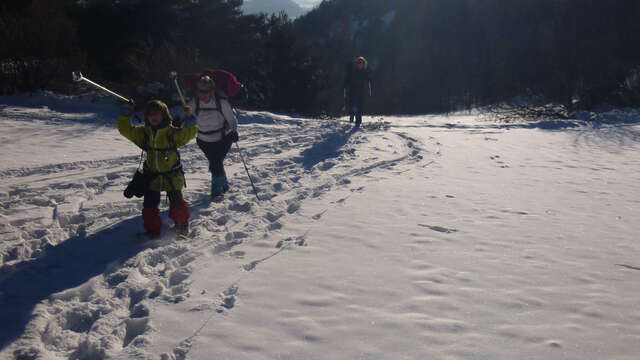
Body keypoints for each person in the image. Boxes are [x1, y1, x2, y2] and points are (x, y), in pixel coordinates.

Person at [118, 100, 198, 237]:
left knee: (177, 204)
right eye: (150, 114)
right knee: (149, 206)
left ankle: (182, 226)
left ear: (164, 116)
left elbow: (187, 134)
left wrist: (190, 120)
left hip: (172, 176)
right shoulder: (144, 134)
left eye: (157, 114)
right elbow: (126, 130)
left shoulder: (172, 133)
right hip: (151, 177)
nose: (153, 117)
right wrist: (126, 114)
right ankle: (152, 230)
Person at [190, 75, 239, 200]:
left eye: (207, 92)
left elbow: (231, 119)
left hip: (222, 139)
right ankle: (224, 184)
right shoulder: (194, 102)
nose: (204, 95)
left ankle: (217, 190)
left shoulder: (221, 102)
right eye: (201, 92)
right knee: (215, 163)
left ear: (212, 91)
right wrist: (182, 118)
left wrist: (233, 131)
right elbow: (187, 116)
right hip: (203, 141)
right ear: (197, 91)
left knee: (215, 163)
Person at [344, 56, 372, 127]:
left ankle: (358, 122)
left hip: (362, 92)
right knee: (353, 106)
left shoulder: (365, 72)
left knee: (360, 106)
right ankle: (352, 114)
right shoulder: (353, 71)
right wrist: (345, 88)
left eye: (362, 63)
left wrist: (369, 90)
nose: (360, 64)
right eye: (359, 63)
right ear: (356, 64)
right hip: (353, 91)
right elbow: (348, 80)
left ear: (364, 64)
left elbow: (368, 82)